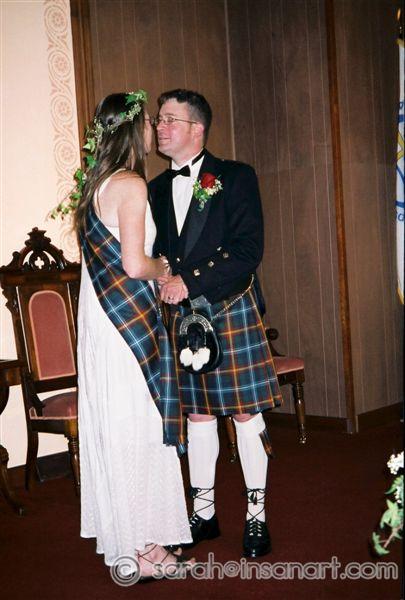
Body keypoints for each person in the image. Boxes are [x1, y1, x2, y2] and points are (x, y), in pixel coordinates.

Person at [149, 89, 283, 558]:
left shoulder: (235, 176)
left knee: (246, 414)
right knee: (198, 415)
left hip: (229, 307)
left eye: (170, 119)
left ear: (197, 128)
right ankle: (203, 513)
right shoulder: (154, 188)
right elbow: (158, 252)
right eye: (158, 119)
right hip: (184, 317)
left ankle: (257, 515)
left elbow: (248, 250)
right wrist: (161, 273)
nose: (160, 127)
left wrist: (188, 280)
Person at [75, 90, 193, 578]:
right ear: (131, 129)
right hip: (125, 327)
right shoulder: (130, 183)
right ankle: (144, 550)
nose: (152, 129)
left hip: (101, 320)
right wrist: (163, 265)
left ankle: (130, 541)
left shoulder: (96, 186)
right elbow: (133, 264)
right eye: (147, 121)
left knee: (118, 425)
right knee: (136, 428)